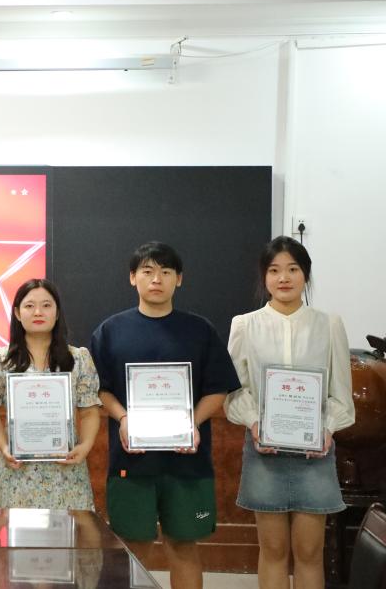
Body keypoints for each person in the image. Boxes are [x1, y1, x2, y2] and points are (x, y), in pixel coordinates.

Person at [90, 241, 240, 589]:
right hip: (131, 461)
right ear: (133, 277)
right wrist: (123, 418)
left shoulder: (200, 330)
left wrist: (192, 422)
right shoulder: (110, 331)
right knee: (131, 549)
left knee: (184, 547)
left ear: (179, 279)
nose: (156, 279)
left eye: (165, 272)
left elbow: (218, 389)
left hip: (187, 462)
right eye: (147, 271)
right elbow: (98, 389)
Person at [224, 236, 354, 589]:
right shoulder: (245, 325)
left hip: (316, 454)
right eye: (274, 270)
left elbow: (341, 396)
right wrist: (254, 423)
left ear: (305, 275)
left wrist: (327, 428)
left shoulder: (329, 324)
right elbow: (236, 391)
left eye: (293, 269)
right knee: (273, 550)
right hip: (264, 453)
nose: (284, 278)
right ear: (264, 277)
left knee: (310, 552)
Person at [0, 278, 101, 509]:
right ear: (17, 313)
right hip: (17, 471)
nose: (38, 312)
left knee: (69, 531)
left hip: (66, 471)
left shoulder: (78, 358)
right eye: (29, 306)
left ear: (57, 313)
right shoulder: (0, 360)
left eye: (46, 305)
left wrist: (84, 446)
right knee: (16, 532)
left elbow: (89, 412)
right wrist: (5, 447)